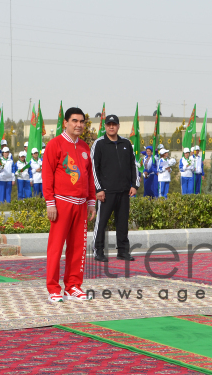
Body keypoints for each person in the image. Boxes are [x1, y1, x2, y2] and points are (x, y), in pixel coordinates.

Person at [43, 107, 96, 303]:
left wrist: (91, 202)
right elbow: (47, 176)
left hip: (81, 205)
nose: (79, 125)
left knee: (78, 248)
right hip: (62, 203)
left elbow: (89, 177)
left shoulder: (84, 147)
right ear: (65, 122)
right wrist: (50, 203)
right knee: (56, 247)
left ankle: (73, 286)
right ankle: (53, 288)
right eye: (74, 121)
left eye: (81, 121)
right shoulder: (54, 145)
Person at [90, 114, 138, 262]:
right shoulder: (99, 144)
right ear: (105, 126)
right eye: (109, 124)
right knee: (101, 222)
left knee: (123, 223)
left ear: (118, 126)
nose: (111, 127)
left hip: (124, 191)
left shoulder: (126, 143)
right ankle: (98, 251)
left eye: (114, 124)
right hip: (106, 192)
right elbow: (93, 168)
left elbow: (133, 165)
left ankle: (123, 251)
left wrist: (134, 185)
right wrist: (99, 189)